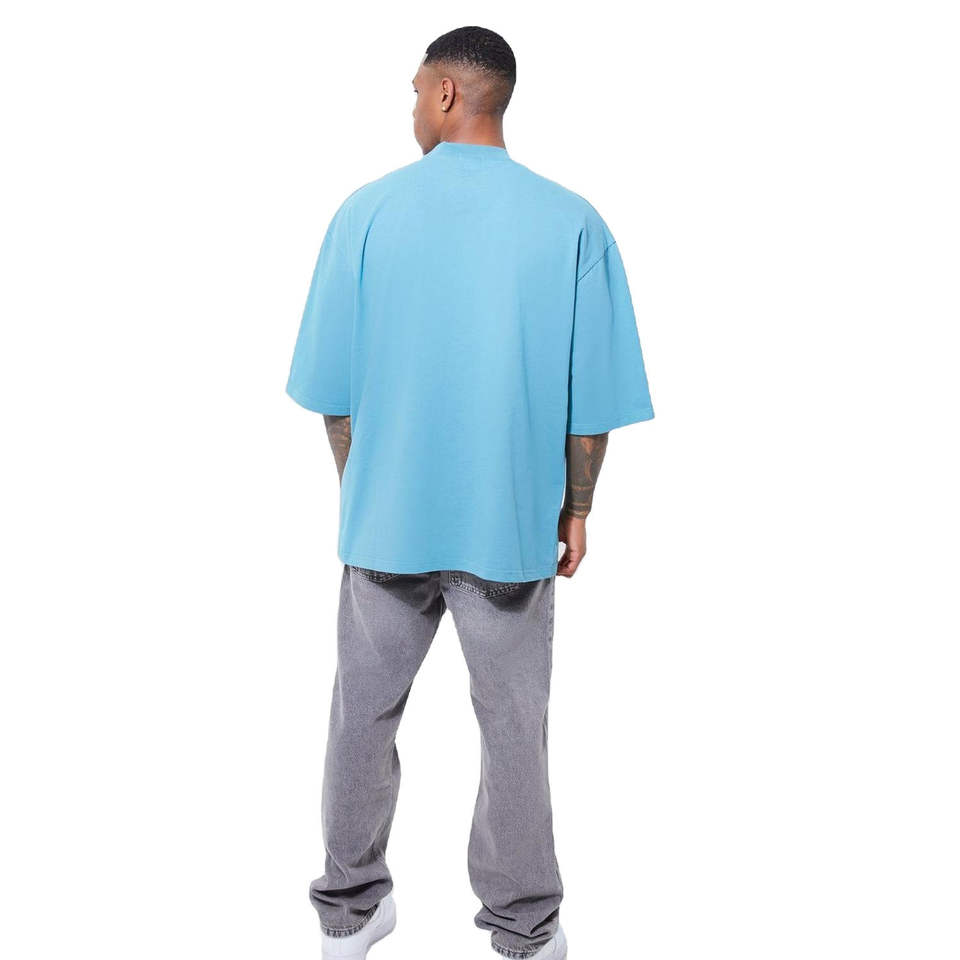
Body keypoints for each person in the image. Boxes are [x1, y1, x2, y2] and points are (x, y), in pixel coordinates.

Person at [286, 25, 653, 960]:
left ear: (448, 93)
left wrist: (368, 490)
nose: (412, 106)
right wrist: (577, 509)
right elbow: (591, 406)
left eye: (416, 89)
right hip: (509, 530)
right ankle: (525, 931)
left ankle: (350, 912)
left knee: (361, 717)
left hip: (385, 526)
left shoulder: (364, 213)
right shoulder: (572, 222)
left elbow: (332, 396)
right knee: (515, 732)